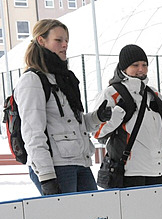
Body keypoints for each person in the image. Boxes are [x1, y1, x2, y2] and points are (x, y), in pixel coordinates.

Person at [14, 19, 112, 196]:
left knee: (94, 218)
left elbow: (77, 124)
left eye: (66, 40)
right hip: (56, 167)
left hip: (79, 162)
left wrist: (98, 117)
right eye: (58, 40)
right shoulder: (33, 80)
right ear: (41, 41)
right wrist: (46, 176)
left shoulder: (63, 79)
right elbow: (32, 132)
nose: (65, 45)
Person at [93, 44, 162, 188]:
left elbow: (160, 130)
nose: (141, 69)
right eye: (135, 65)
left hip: (158, 169)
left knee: (158, 210)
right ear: (123, 68)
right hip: (130, 172)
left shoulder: (152, 94)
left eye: (144, 65)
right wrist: (119, 114)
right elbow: (97, 131)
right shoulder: (111, 93)